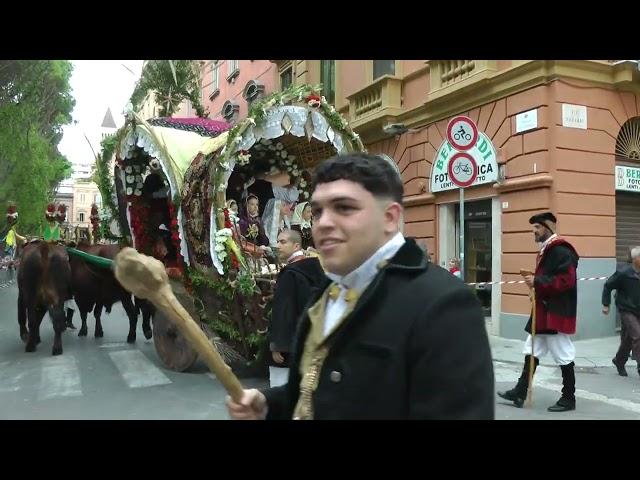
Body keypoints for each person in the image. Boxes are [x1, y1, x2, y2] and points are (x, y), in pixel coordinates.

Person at [226, 153, 494, 420]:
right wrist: (268, 404)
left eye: (344, 207)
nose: (323, 223)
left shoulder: (444, 304)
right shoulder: (328, 290)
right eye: (318, 211)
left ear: (390, 217)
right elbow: (316, 392)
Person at [497, 212, 579, 412]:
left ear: (548, 228)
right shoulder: (547, 250)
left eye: (537, 227)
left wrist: (538, 282)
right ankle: (520, 391)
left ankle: (569, 398)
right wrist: (536, 288)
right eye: (533, 228)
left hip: (555, 313)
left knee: (563, 353)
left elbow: (566, 281)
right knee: (531, 349)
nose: (533, 231)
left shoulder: (561, 250)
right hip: (544, 311)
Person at [268, 229, 325, 388]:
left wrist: (278, 345)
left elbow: (284, 312)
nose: (278, 246)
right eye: (277, 241)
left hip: (289, 344)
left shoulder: (290, 274)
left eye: (283, 242)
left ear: (296, 245)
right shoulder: (312, 268)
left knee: (282, 389)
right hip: (307, 339)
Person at [602, 245, 640, 377]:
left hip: (638, 309)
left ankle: (619, 360)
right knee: (637, 335)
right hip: (626, 309)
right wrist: (606, 304)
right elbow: (608, 285)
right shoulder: (623, 273)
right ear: (635, 259)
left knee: (628, 339)